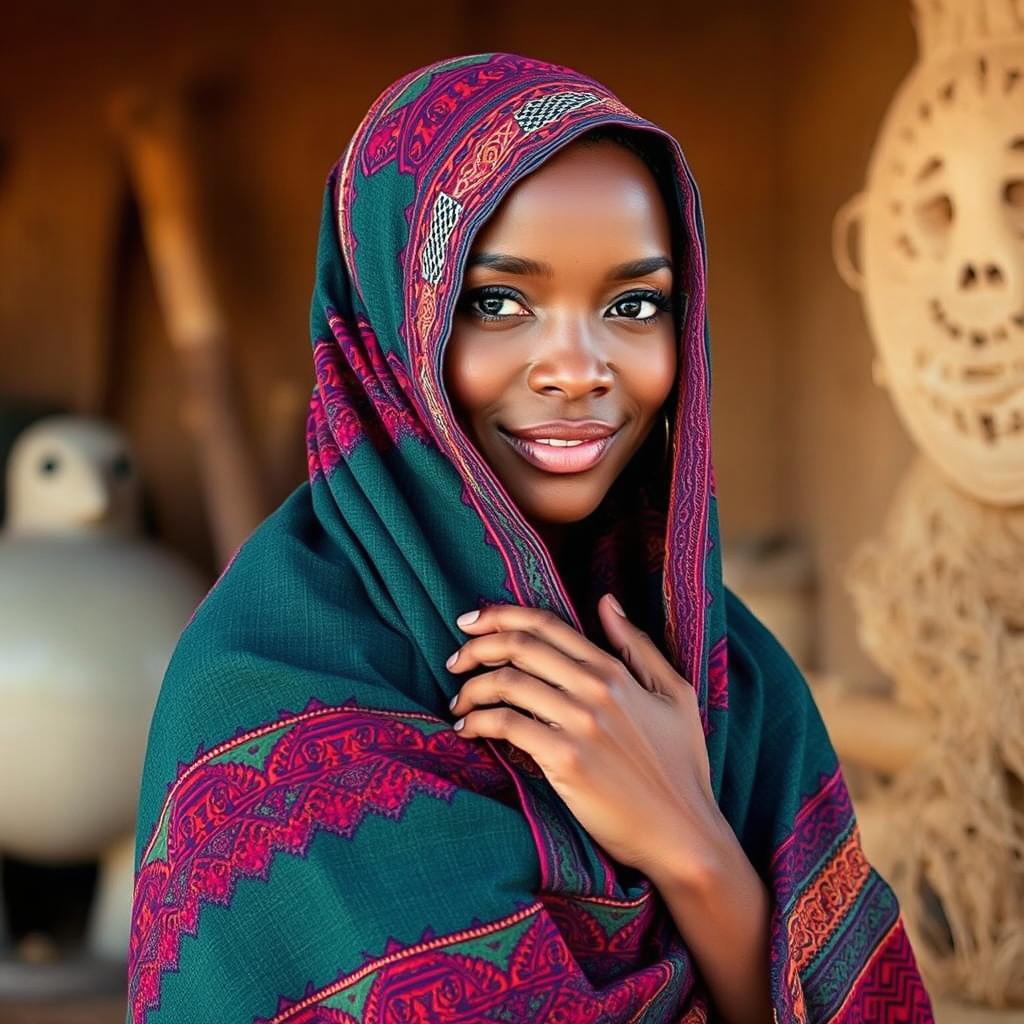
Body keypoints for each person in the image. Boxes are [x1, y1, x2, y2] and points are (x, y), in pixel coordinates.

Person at [126, 53, 935, 1023]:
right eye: (497, 302)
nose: (576, 368)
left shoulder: (729, 686)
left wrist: (694, 848)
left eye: (634, 305)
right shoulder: (258, 703)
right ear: (392, 323)